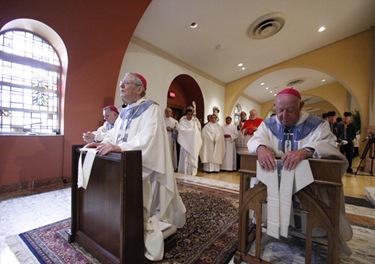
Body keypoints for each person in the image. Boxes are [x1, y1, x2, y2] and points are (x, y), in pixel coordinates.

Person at [85, 72, 186, 261]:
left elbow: (148, 138)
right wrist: (100, 142)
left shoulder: (152, 109)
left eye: (125, 83)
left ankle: (134, 228)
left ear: (139, 89)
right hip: (121, 164)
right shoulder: (124, 111)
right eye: (121, 83)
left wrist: (120, 147)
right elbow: (114, 134)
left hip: (142, 166)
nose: (121, 86)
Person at [247, 88, 352, 255]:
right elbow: (256, 138)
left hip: (310, 185)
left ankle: (315, 231)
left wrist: (306, 151)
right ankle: (275, 226)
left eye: (290, 110)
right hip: (276, 181)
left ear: (301, 105)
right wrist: (260, 147)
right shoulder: (269, 123)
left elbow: (329, 144)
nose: (283, 115)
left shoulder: (317, 124)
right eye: (279, 110)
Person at [177, 105, 202, 176]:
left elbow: (198, 131)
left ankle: (192, 172)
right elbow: (181, 130)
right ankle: (183, 171)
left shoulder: (195, 121)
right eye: (188, 114)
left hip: (193, 143)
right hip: (185, 143)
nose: (190, 116)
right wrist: (192, 131)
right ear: (186, 113)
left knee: (192, 156)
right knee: (185, 158)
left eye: (191, 114)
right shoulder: (183, 119)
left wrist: (194, 132)